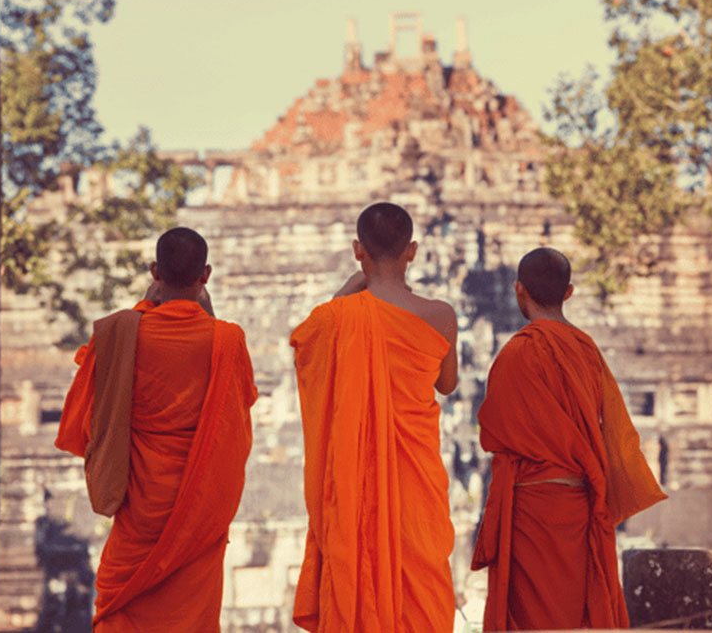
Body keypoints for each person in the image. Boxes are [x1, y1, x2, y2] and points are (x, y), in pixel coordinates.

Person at [55, 227, 256, 632]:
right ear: (206, 275)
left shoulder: (117, 333)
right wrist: (208, 316)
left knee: (122, 610)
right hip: (198, 509)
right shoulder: (227, 339)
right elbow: (238, 408)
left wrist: (144, 304)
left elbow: (83, 421)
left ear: (154, 271)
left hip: (139, 507)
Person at [471, 247, 667, 631]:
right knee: (579, 613)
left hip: (532, 508)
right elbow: (611, 425)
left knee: (532, 619)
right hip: (579, 503)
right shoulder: (586, 351)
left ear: (518, 290)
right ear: (570, 291)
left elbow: (494, 431)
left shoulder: (516, 353)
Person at [290, 202, 459, 632]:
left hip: (353, 479)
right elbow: (447, 384)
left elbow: (310, 345)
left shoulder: (336, 317)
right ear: (413, 251)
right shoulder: (440, 315)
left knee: (354, 565)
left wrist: (346, 292)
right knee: (421, 576)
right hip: (415, 482)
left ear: (357, 250)